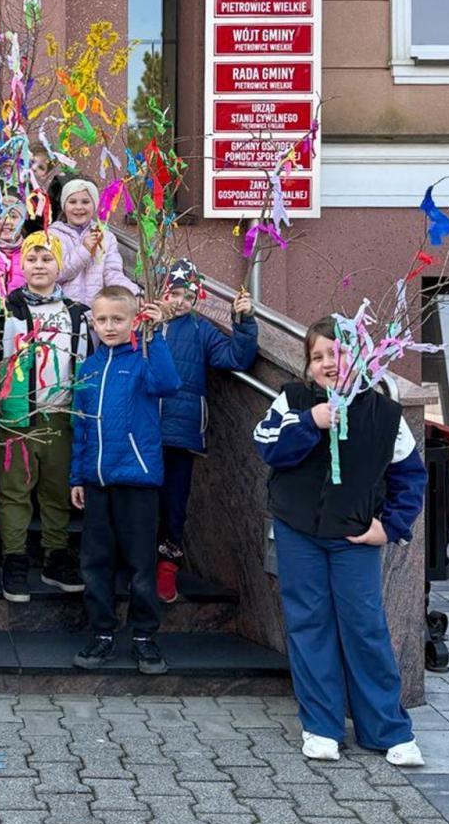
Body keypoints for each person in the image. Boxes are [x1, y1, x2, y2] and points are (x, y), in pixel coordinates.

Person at [254, 317, 427, 767]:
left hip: (354, 538)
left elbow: (409, 476)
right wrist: (309, 422)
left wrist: (389, 527)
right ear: (308, 366)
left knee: (364, 626)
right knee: (309, 624)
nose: (330, 363)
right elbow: (267, 444)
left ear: (361, 355)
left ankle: (387, 729)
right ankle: (322, 726)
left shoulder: (384, 414)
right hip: (299, 533)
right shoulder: (293, 400)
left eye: (338, 352)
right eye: (318, 356)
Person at [69, 286, 180, 674]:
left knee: (140, 563)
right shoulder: (90, 367)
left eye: (118, 319)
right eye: (102, 320)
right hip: (98, 481)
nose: (109, 326)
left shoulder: (144, 360)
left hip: (137, 480)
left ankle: (144, 637)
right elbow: (80, 426)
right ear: (93, 323)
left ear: (134, 320)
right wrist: (77, 476)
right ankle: (101, 633)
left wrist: (157, 337)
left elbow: (169, 384)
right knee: (95, 562)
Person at [0, 231, 93, 601]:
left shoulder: (77, 314)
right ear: (22, 264)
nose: (39, 265)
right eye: (32, 259)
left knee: (56, 490)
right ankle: (14, 558)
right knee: (15, 491)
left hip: (62, 414)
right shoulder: (6, 309)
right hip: (18, 417)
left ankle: (55, 555)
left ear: (59, 265)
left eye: (46, 259)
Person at [154, 260, 258, 601]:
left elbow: (236, 359)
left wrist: (242, 322)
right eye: (174, 293)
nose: (181, 302)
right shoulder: (144, 321)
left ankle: (166, 569)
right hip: (141, 431)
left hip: (181, 435)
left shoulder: (200, 329)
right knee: (140, 503)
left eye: (188, 296)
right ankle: (137, 566)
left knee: (174, 504)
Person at [48, 178, 137, 306]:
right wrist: (84, 250)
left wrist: (135, 292)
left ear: (94, 205)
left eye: (85, 202)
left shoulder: (106, 237)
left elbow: (112, 274)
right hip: (63, 312)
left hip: (95, 312)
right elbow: (54, 274)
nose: (79, 207)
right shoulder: (52, 235)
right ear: (64, 206)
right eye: (72, 202)